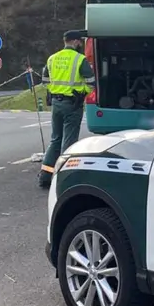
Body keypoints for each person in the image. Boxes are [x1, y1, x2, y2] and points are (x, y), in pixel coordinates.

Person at [38, 30, 95, 188]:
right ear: (76, 42)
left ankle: (45, 175)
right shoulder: (80, 59)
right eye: (80, 42)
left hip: (56, 103)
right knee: (69, 141)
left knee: (55, 139)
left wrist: (55, 90)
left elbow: (45, 81)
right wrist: (81, 92)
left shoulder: (52, 58)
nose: (80, 45)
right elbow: (91, 83)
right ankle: (63, 178)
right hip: (73, 104)